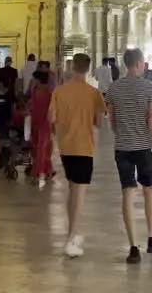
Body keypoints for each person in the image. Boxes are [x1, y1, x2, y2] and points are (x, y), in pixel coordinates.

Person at [104, 48, 152, 264]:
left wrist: (120, 134)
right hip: (143, 147)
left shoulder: (113, 88)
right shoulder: (148, 87)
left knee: (127, 193)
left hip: (122, 149)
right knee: (148, 190)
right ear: (139, 63)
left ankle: (132, 247)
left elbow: (111, 120)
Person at [49, 53, 107, 258]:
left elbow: (51, 117)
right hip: (85, 146)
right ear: (88, 69)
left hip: (66, 147)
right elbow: (99, 123)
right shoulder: (93, 93)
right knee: (79, 193)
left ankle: (73, 232)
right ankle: (71, 237)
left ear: (72, 68)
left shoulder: (59, 91)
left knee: (72, 188)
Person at [29, 70, 55, 189]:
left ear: (39, 80)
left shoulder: (50, 93)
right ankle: (48, 169)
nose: (32, 81)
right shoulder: (34, 91)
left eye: (34, 79)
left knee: (41, 148)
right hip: (35, 122)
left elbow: (53, 110)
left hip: (45, 124)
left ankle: (38, 174)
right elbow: (32, 106)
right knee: (36, 149)